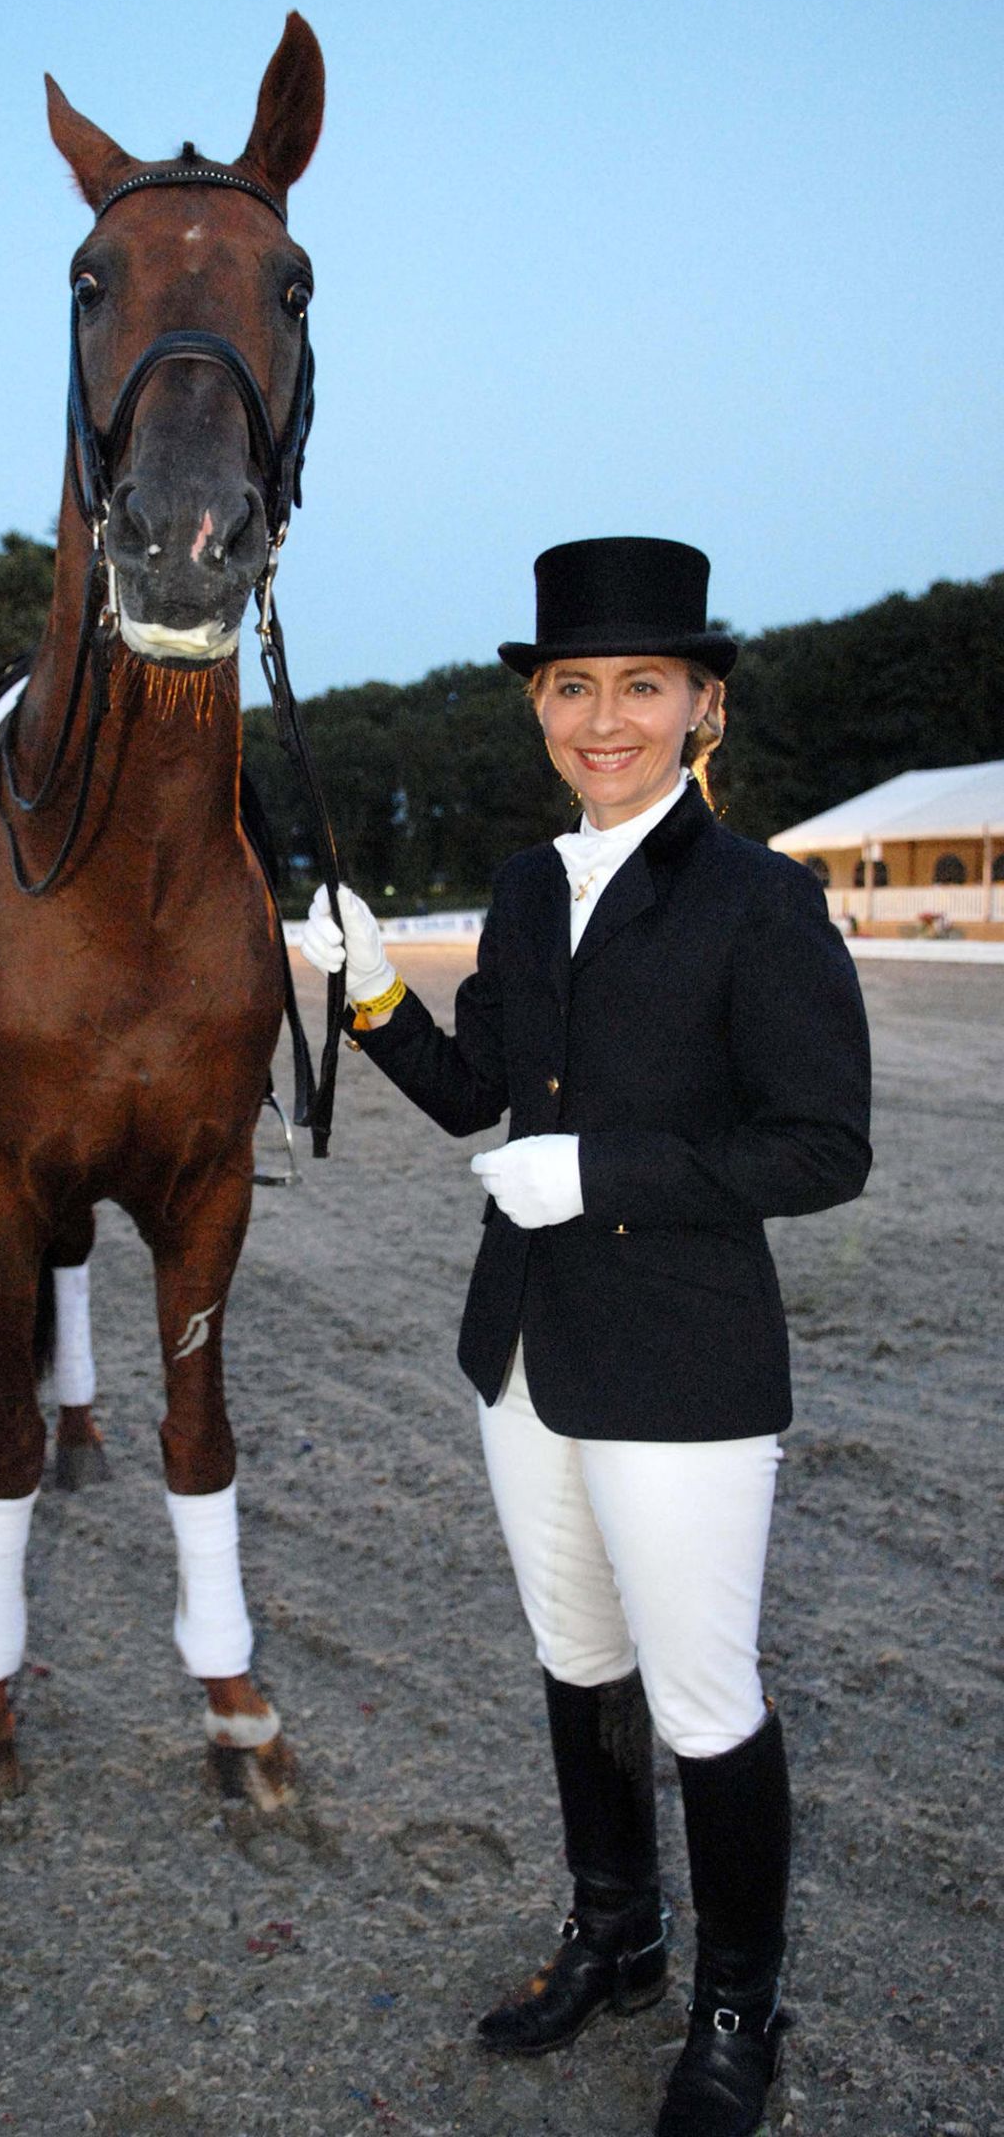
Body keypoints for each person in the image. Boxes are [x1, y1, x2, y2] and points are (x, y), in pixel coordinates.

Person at [300, 537, 872, 2137]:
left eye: (640, 686)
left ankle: (739, 2011)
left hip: (682, 1360)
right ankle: (618, 1934)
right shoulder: (524, 888)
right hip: (526, 1347)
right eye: (572, 687)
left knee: (704, 1701)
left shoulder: (761, 900)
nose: (604, 719)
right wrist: (373, 995)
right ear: (539, 707)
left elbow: (824, 1148)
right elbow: (476, 1096)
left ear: (702, 706)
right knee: (579, 1662)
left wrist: (602, 1175)